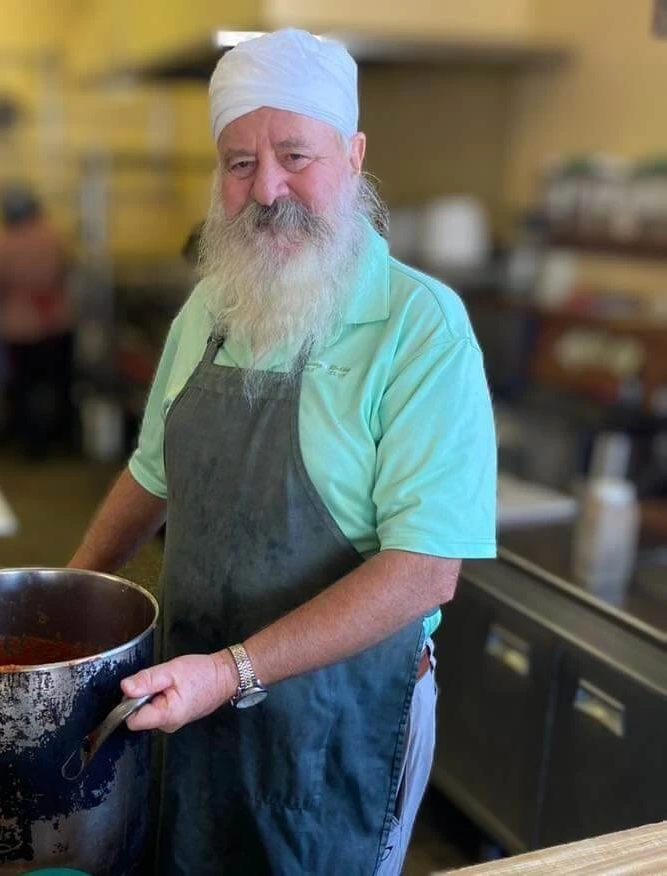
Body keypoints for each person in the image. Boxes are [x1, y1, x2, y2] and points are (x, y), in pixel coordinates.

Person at [70, 28, 496, 876]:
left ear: (354, 154)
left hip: (338, 718)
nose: (267, 188)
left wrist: (231, 673)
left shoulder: (420, 327)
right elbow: (151, 473)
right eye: (238, 163)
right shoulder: (210, 311)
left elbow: (423, 572)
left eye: (295, 154)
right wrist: (66, 601)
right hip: (188, 690)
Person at [0, 185, 75, 457]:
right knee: (59, 385)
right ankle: (64, 441)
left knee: (22, 389)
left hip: (19, 326)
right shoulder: (53, 236)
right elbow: (67, 271)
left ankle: (30, 447)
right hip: (57, 321)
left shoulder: (2, 243)